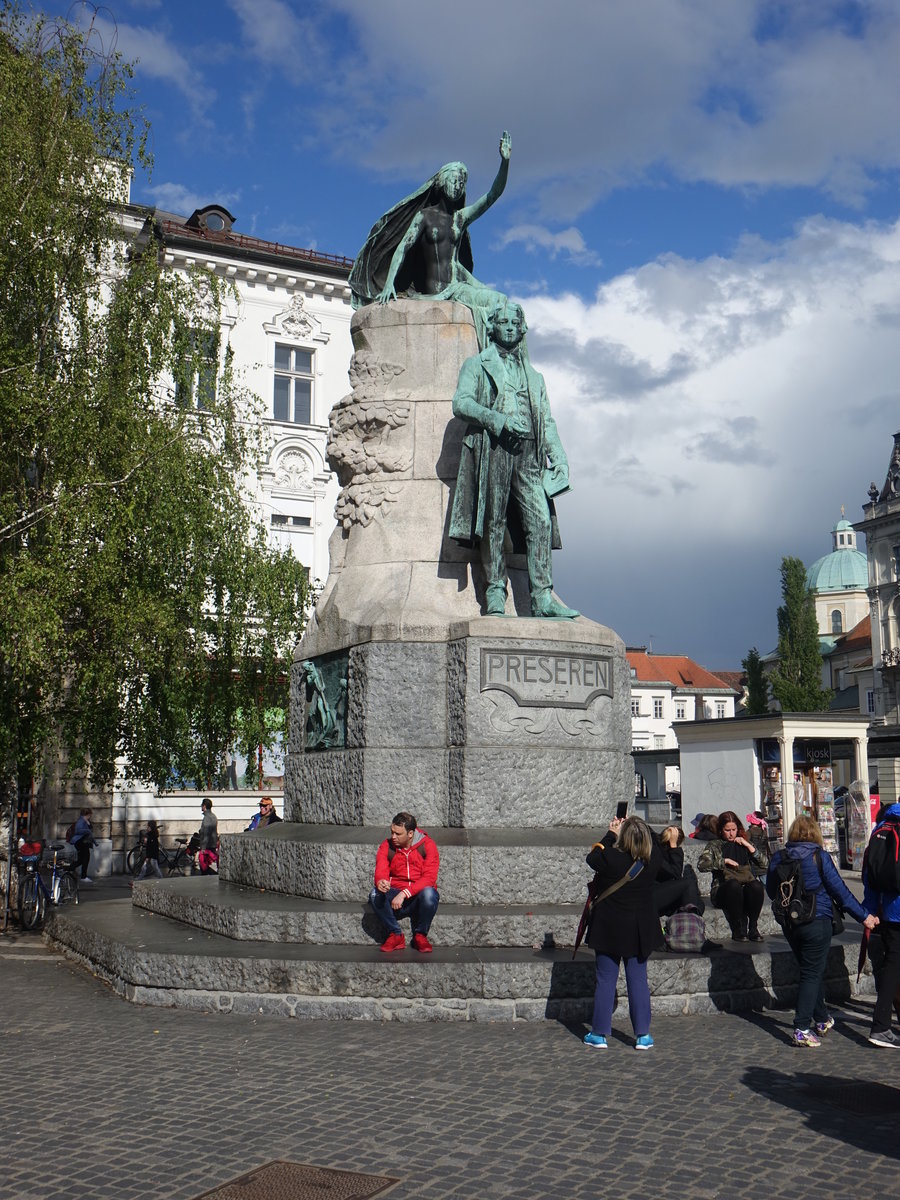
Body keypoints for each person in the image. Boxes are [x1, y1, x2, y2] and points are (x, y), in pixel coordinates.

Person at [449, 299, 578, 619]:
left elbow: (547, 421)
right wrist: (497, 420)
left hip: (529, 455)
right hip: (495, 449)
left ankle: (542, 598)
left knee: (541, 522)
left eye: (514, 323)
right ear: (491, 328)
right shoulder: (477, 365)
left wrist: (559, 457)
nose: (509, 327)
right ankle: (494, 592)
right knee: (493, 521)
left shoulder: (535, 378)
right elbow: (461, 403)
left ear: (523, 329)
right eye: (503, 322)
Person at [349, 132, 511, 347]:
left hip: (458, 282)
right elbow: (403, 248)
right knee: (496, 303)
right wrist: (389, 284)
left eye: (462, 182)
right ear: (442, 182)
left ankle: (494, 363)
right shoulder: (425, 216)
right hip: (440, 289)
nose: (458, 185)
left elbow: (493, 195)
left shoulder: (460, 218)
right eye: (454, 180)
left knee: (503, 303)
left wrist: (504, 162)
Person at [767, 814, 877, 1048]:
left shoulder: (778, 857)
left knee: (809, 970)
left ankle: (822, 1018)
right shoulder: (819, 856)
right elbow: (841, 892)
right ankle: (801, 1027)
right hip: (817, 920)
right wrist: (864, 916)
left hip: (790, 924)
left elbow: (770, 890)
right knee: (811, 974)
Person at [583, 815, 664, 1050]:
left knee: (606, 979)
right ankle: (643, 1035)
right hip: (640, 928)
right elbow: (656, 842)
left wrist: (611, 834)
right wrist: (638, 825)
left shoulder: (609, 858)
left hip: (609, 927)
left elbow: (592, 857)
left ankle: (599, 1033)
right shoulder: (653, 859)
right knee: (637, 979)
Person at [370, 812, 440, 953]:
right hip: (394, 894)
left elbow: (429, 878)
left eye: (398, 834)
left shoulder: (427, 845)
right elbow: (381, 868)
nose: (393, 837)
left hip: (418, 895)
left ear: (410, 834)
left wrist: (404, 893)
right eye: (392, 832)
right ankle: (395, 934)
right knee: (374, 894)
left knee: (430, 893)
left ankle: (420, 935)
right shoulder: (387, 845)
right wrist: (381, 882)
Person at [863, 797, 900, 1048]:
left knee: (893, 964)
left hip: (889, 910)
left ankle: (882, 1025)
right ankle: (881, 1025)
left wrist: (869, 909)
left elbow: (870, 874)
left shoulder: (882, 827)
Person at [698, 811, 768, 942]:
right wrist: (724, 861)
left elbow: (765, 864)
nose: (731, 834)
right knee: (733, 885)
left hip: (744, 887)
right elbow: (702, 865)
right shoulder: (715, 845)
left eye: (734, 830)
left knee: (756, 886)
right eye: (727, 830)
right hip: (724, 889)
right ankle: (738, 928)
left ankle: (753, 927)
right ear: (721, 830)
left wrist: (748, 846)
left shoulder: (743, 842)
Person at [654, 825, 705, 917]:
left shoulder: (659, 848)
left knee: (699, 904)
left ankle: (689, 923)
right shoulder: (657, 851)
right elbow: (675, 873)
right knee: (689, 883)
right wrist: (674, 847)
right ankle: (690, 925)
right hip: (650, 896)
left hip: (659, 893)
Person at [70, 808, 95, 883]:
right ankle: (83, 876)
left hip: (84, 842)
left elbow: (90, 830)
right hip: (81, 842)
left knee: (82, 860)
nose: (90, 816)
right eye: (90, 814)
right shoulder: (81, 821)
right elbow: (78, 830)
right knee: (84, 859)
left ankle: (69, 869)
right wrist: (87, 830)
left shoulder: (86, 821)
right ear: (87, 814)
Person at [196, 798, 218, 875]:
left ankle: (207, 880)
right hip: (213, 844)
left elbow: (205, 834)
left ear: (204, 806)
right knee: (210, 863)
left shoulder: (207, 818)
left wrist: (203, 848)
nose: (201, 807)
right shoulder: (214, 816)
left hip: (207, 846)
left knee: (204, 866)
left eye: (202, 805)